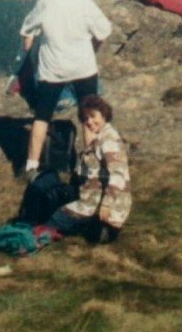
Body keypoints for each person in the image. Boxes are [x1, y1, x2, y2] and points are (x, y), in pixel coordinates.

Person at [19, 0, 113, 177]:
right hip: (84, 66)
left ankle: (32, 166)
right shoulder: (85, 1)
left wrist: (29, 55)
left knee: (42, 117)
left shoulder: (46, 1)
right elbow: (103, 31)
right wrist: (92, 50)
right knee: (89, 116)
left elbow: (27, 31)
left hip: (53, 68)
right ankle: (91, 163)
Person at [45, 94, 131, 241]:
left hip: (102, 205)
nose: (89, 122)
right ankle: (94, 227)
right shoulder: (100, 136)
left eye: (93, 116)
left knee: (54, 220)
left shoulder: (108, 140)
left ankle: (96, 226)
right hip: (94, 197)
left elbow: (118, 176)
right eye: (85, 118)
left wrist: (107, 205)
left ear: (104, 115)